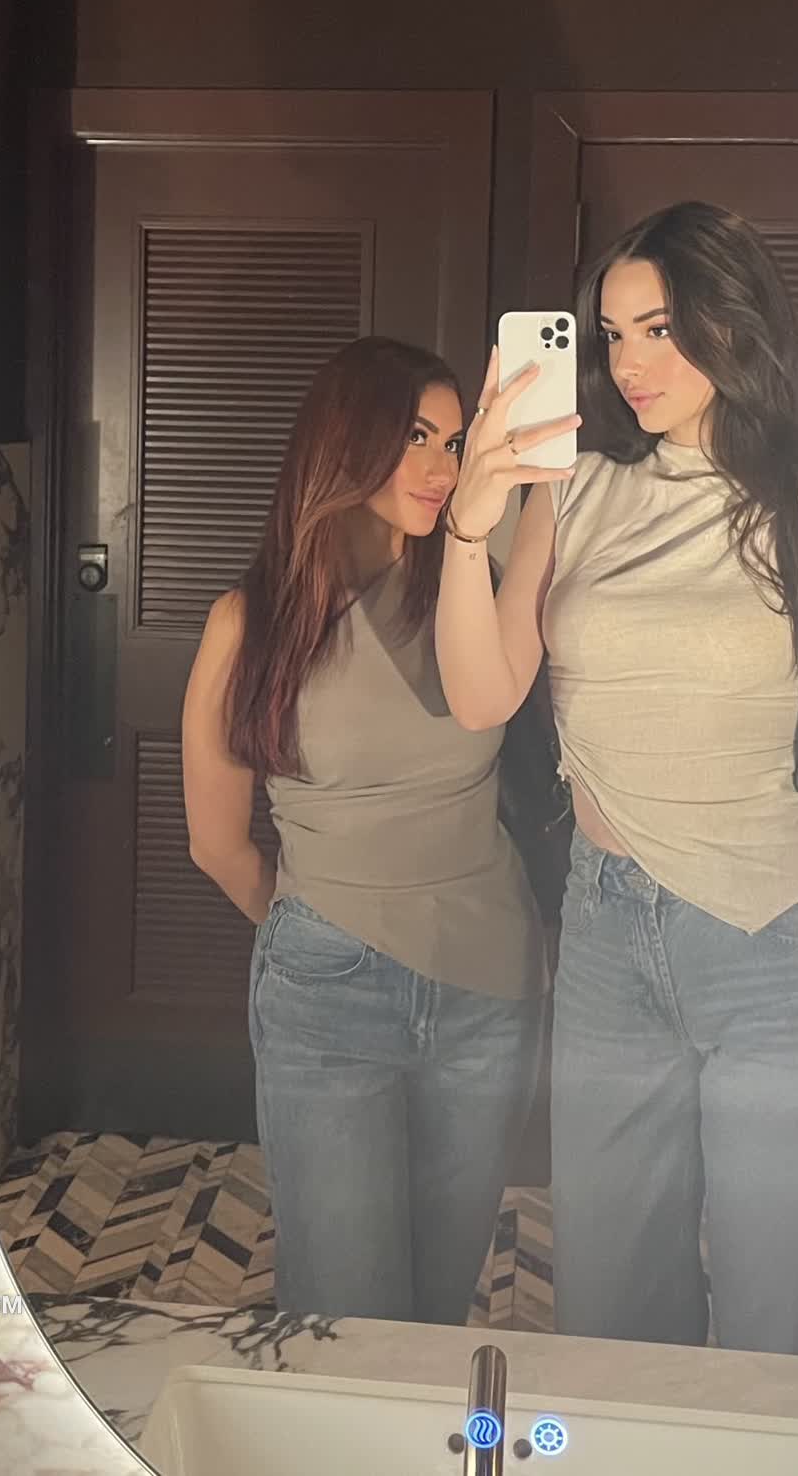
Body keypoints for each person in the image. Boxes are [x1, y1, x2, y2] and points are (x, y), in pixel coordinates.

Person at [434, 202, 798, 1359]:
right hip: (609, 937)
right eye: (612, 334)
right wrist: (469, 525)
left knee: (783, 1332)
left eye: (659, 329)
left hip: (782, 951)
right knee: (611, 1325)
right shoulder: (572, 491)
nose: (630, 364)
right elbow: (481, 694)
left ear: (732, 321)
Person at [182, 335, 546, 1326]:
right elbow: (217, 842)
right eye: (415, 437)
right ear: (345, 442)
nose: (440, 467)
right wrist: (325, 926)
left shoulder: (478, 575)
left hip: (488, 985)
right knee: (344, 1314)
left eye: (454, 442)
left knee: (434, 1307)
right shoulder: (249, 622)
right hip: (328, 991)